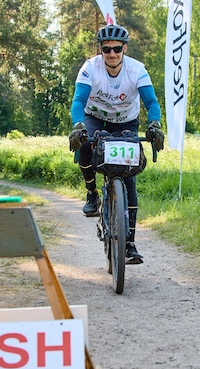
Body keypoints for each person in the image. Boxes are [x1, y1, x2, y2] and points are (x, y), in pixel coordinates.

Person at [68, 24, 165, 264]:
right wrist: (78, 125)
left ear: (125, 49)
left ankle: (129, 244)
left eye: (117, 49)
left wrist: (154, 124)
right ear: (100, 49)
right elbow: (78, 101)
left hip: (126, 121)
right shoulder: (90, 68)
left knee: (128, 178)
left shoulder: (137, 70)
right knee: (86, 146)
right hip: (95, 118)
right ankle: (92, 194)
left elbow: (151, 102)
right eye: (107, 49)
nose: (112, 54)